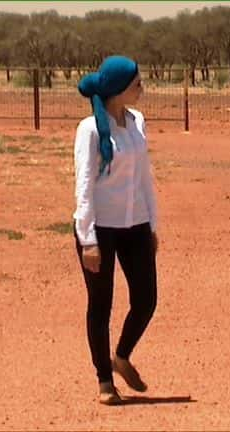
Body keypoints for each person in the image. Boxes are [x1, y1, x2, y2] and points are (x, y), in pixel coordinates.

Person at [73, 55, 159, 405]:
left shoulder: (137, 122)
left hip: (135, 223)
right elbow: (84, 185)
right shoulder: (90, 129)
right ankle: (104, 380)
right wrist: (88, 239)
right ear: (119, 89)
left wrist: (152, 225)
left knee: (146, 299)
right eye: (137, 83)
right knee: (100, 304)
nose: (142, 88)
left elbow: (144, 178)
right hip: (100, 229)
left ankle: (121, 356)